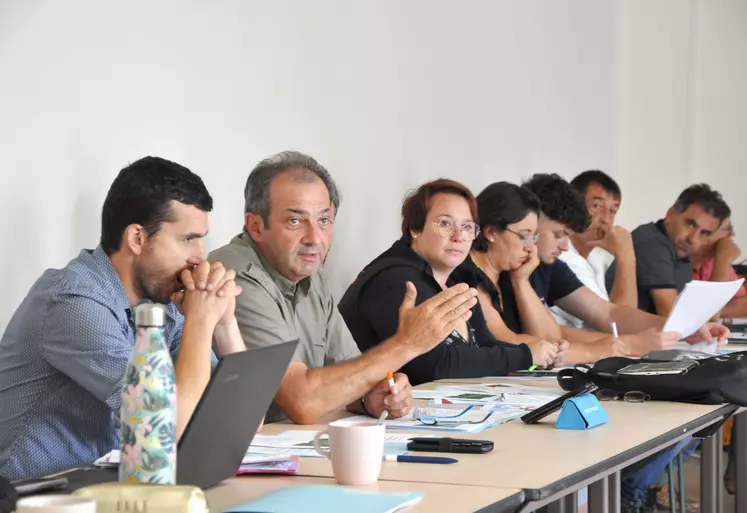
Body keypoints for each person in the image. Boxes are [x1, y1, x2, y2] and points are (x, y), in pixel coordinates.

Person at [0, 157, 245, 481]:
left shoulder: (161, 305)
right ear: (137, 239)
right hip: (31, 497)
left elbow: (240, 420)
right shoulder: (71, 302)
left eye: (202, 238)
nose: (201, 255)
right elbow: (165, 427)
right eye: (188, 239)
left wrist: (225, 323)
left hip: (101, 487)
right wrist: (201, 322)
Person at [208, 152, 478, 425]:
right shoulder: (235, 275)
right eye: (295, 221)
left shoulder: (309, 273)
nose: (314, 238)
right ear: (255, 226)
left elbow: (346, 372)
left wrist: (372, 397)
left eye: (324, 220)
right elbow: (302, 402)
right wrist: (406, 344)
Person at [338, 179, 557, 386]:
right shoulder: (396, 281)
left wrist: (537, 354)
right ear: (415, 228)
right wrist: (524, 355)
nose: (458, 236)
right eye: (445, 223)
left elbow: (485, 345)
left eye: (467, 227)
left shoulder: (456, 281)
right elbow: (433, 365)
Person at [520, 174, 729, 350]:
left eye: (613, 210)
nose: (565, 246)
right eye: (558, 234)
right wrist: (630, 344)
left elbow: (607, 313)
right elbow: (547, 334)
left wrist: (685, 328)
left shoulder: (551, 266)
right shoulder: (513, 267)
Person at [446, 182, 574, 361]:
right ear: (490, 232)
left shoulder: (509, 273)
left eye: (534, 236)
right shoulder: (466, 274)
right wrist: (547, 347)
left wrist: (520, 282)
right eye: (524, 236)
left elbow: (551, 337)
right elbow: (500, 339)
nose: (531, 247)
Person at [628, 183, 731, 316]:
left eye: (704, 233)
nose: (693, 238)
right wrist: (724, 259)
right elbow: (673, 317)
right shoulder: (652, 242)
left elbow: (706, 315)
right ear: (670, 214)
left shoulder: (680, 249)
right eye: (690, 224)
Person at [553, 170, 637, 329]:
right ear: (574, 206)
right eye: (597, 206)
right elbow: (620, 326)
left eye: (613, 210)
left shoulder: (597, 257)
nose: (606, 219)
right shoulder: (564, 257)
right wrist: (626, 255)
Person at [692, 217, 747, 320]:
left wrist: (716, 310)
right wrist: (724, 260)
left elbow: (743, 303)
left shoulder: (713, 261)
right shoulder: (674, 262)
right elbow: (710, 315)